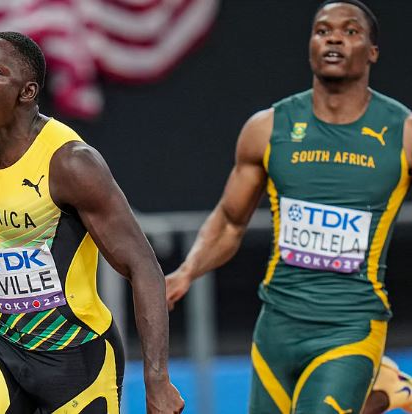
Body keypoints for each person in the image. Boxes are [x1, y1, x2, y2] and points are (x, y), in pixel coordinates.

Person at [165, 1, 412, 413]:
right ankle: (382, 390)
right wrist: (186, 272)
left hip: (351, 326)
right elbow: (230, 221)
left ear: (372, 52)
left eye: (350, 31)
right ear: (311, 45)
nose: (334, 39)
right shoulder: (268, 128)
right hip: (276, 329)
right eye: (323, 31)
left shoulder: (401, 133)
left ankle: (377, 385)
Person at [0, 32, 184, 413]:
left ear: (26, 92)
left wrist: (157, 379)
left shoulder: (71, 163)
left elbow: (143, 267)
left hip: (73, 354)